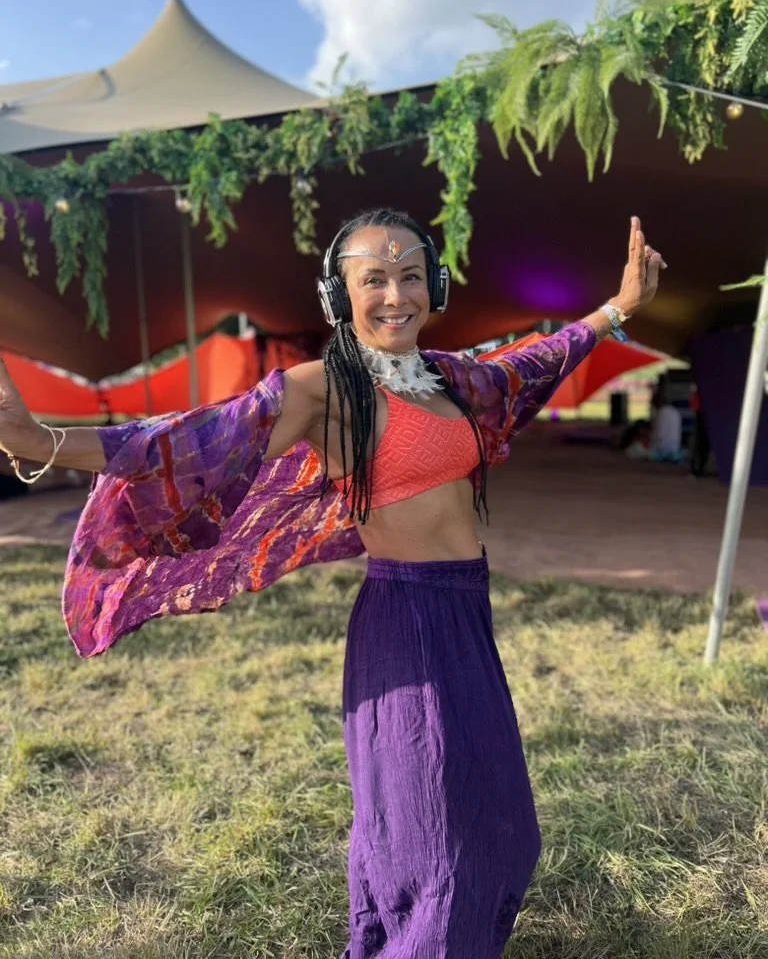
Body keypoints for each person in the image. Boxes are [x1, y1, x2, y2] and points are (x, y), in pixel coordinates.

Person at [0, 210, 664, 959]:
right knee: (441, 845)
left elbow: (538, 359)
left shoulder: (453, 379)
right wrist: (38, 442)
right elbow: (184, 445)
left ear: (434, 284)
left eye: (410, 276)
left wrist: (617, 311)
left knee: (501, 826)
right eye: (372, 279)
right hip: (404, 621)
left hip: (465, 613)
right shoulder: (324, 391)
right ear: (337, 296)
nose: (395, 296)